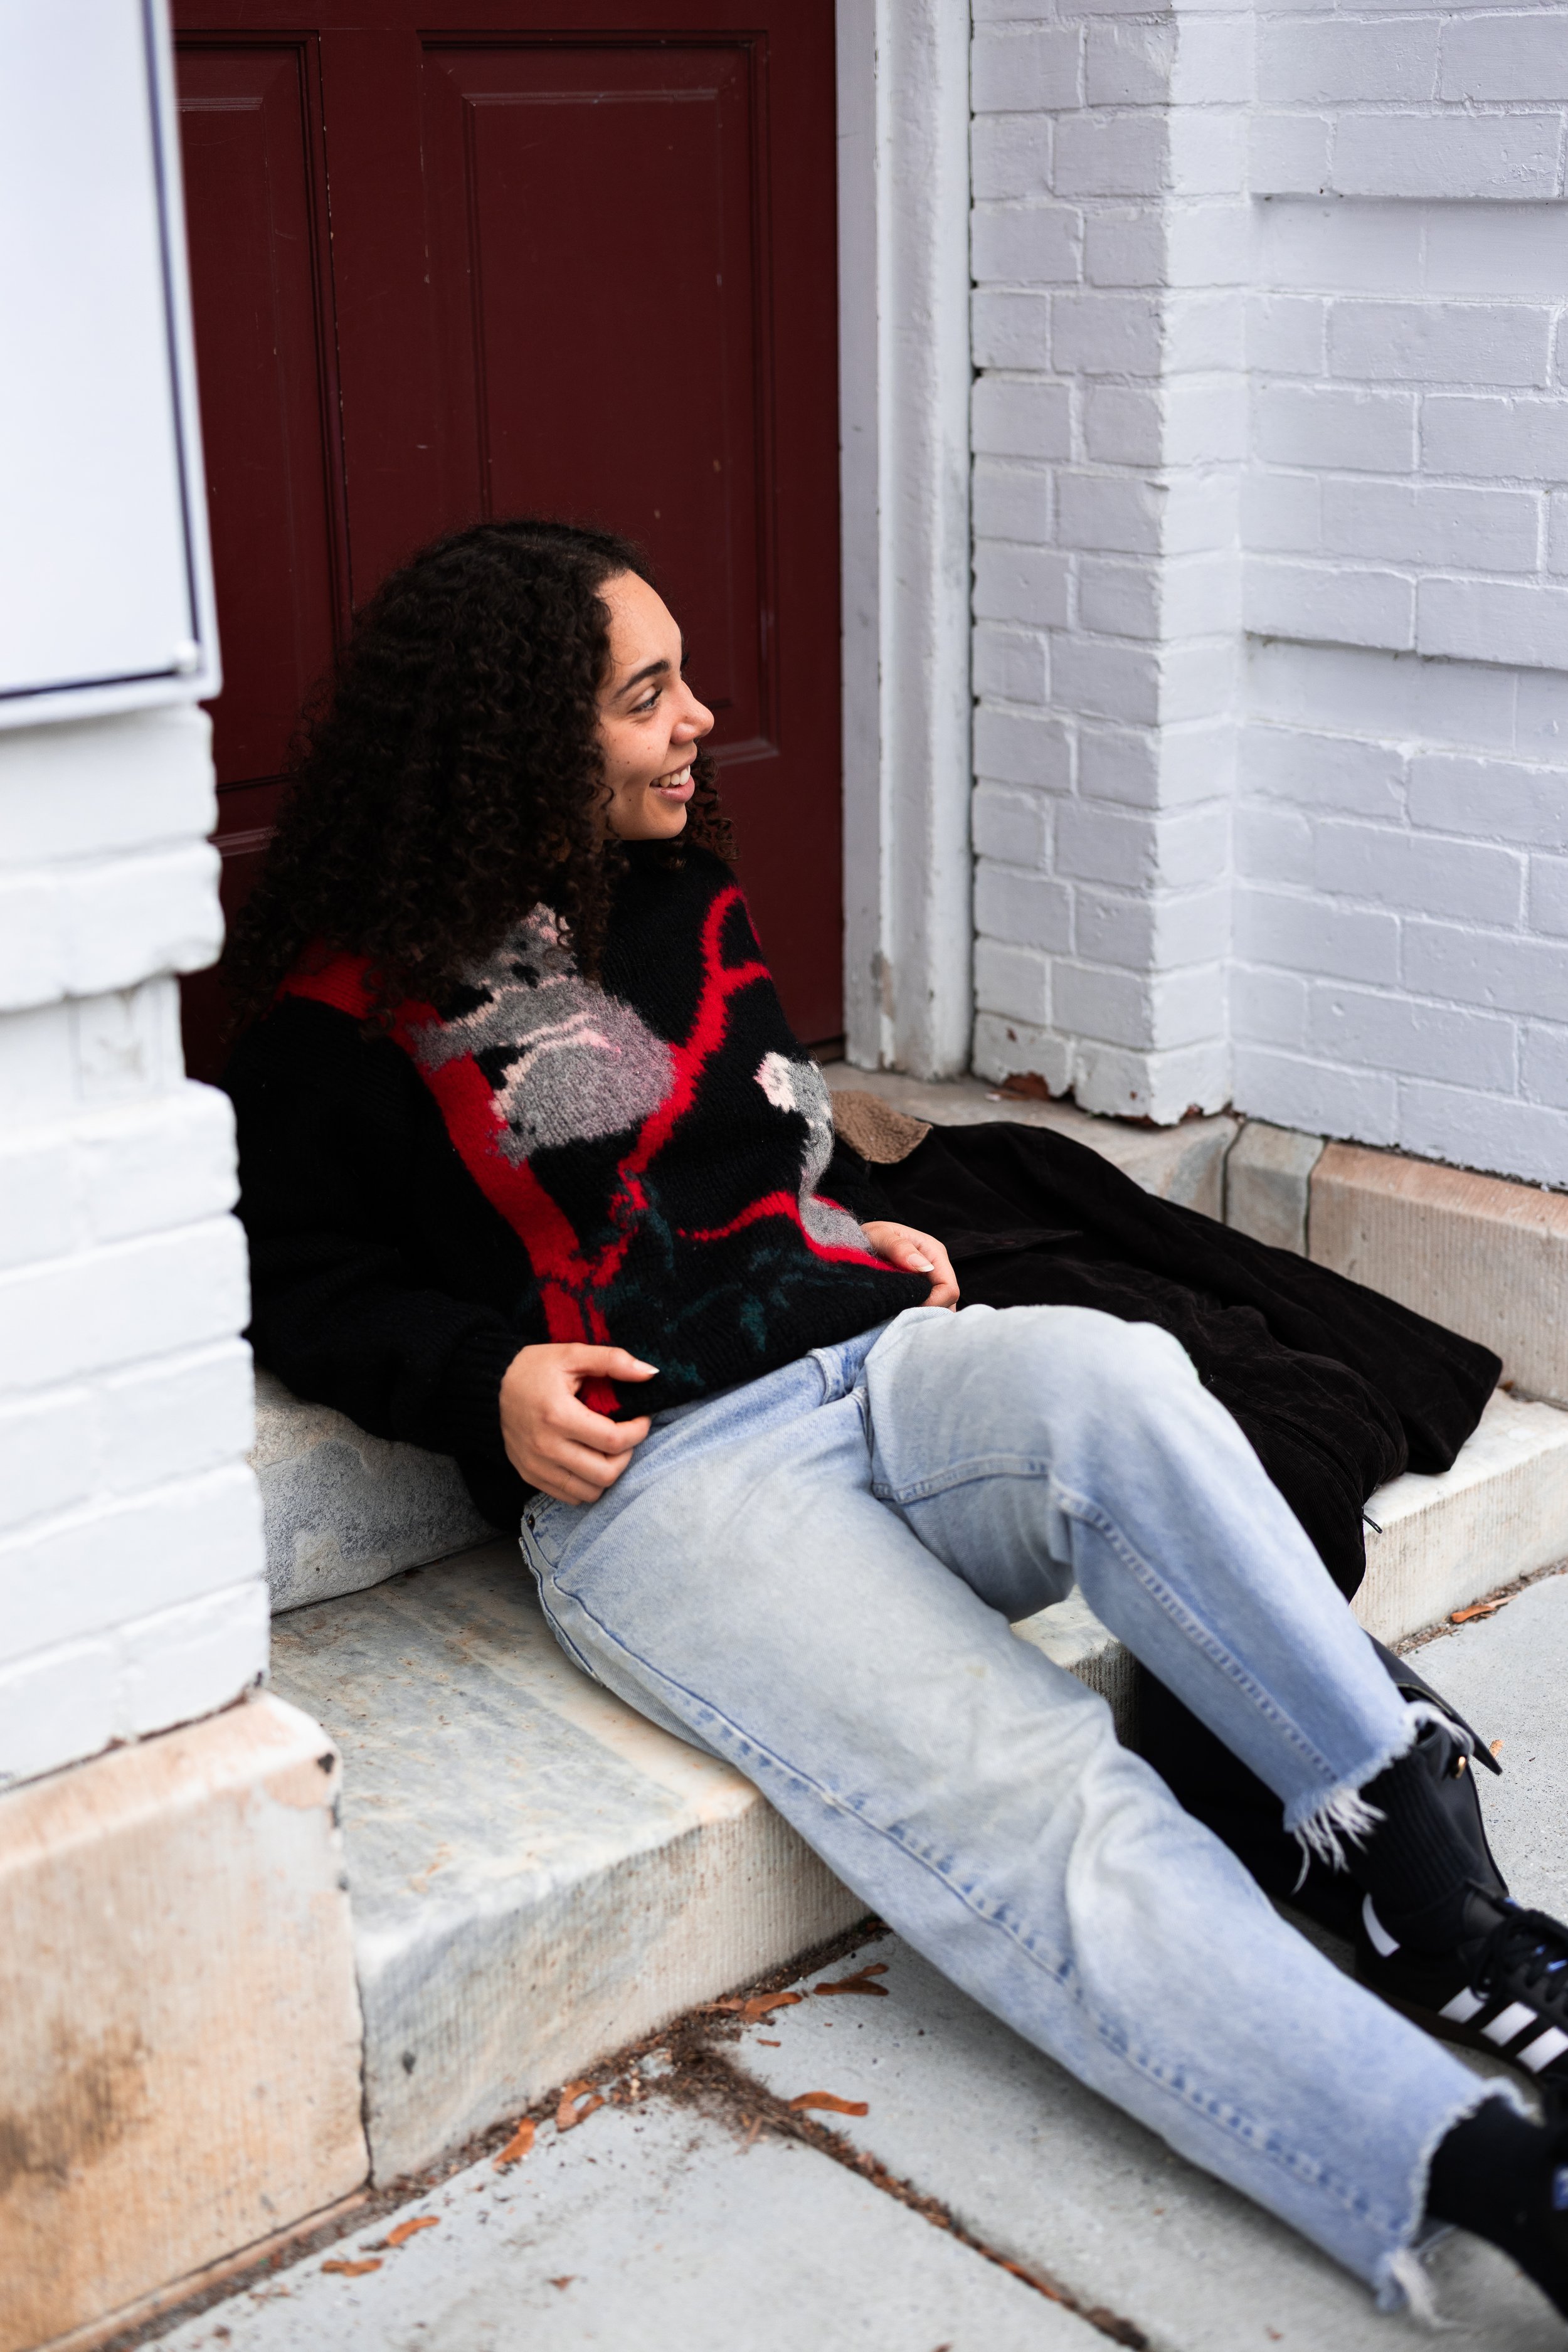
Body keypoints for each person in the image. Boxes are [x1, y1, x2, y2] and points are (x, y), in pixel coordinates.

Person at [224, 517, 1568, 2321]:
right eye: (646, 697)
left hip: (864, 1361)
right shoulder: (347, 1006)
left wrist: (840, 1229)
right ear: (522, 736)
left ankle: (1412, 1878)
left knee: (1119, 1377)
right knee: (1039, 1796)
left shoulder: (675, 889)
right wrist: (478, 1380)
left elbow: (723, 1158)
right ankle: (1479, 2178)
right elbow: (301, 1278)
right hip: (665, 1489)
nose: (699, 720)